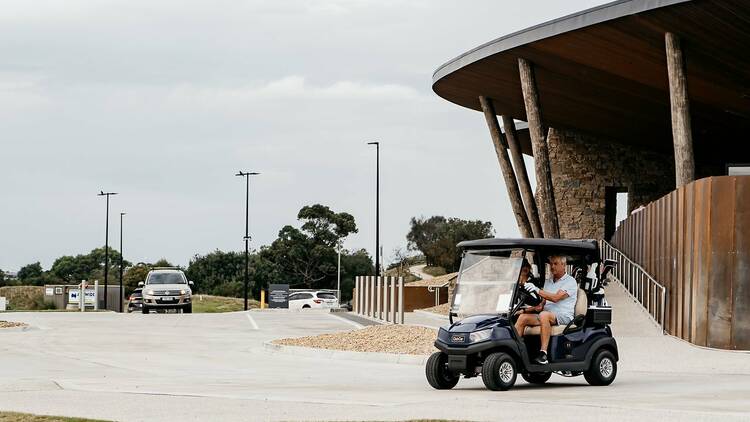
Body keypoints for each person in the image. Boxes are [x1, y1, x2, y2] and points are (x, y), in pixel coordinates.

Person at [514, 255, 578, 365]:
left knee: (544, 315)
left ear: (563, 265)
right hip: (547, 315)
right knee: (523, 318)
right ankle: (515, 353)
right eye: (550, 264)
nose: (552, 266)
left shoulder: (570, 281)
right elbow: (541, 306)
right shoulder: (548, 282)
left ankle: (543, 354)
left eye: (555, 264)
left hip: (564, 316)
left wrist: (537, 290)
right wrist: (523, 311)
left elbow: (555, 298)